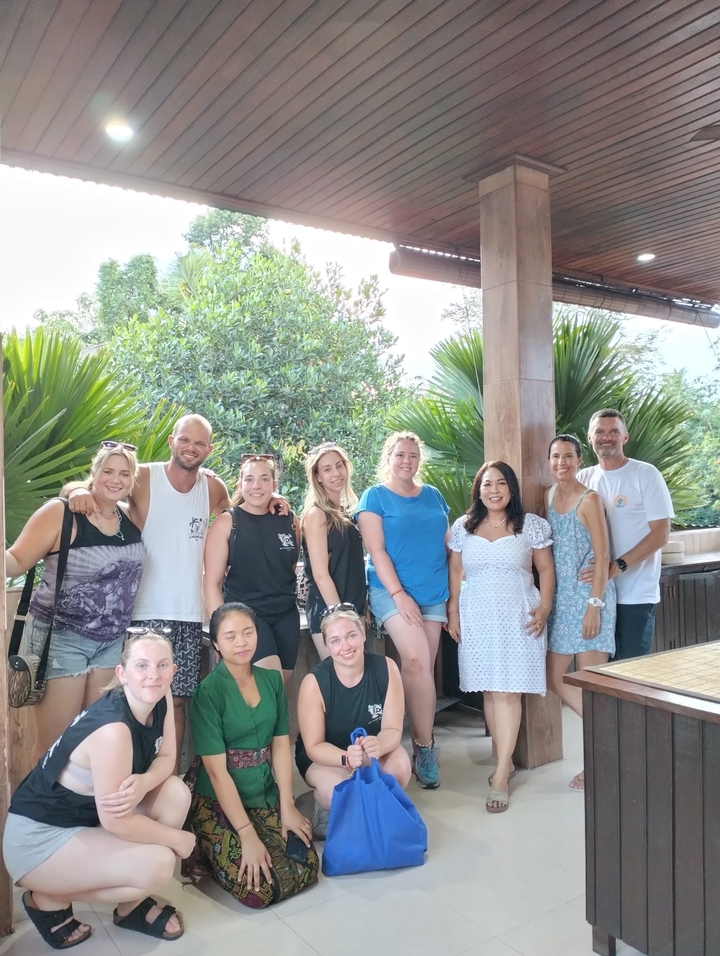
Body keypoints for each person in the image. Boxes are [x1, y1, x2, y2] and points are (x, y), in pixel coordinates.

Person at [2, 629, 193, 949]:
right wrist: (179, 839)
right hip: (38, 839)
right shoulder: (113, 730)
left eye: (162, 665)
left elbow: (167, 757)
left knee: (175, 794)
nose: (154, 675)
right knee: (160, 864)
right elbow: (116, 820)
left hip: (85, 817)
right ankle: (48, 897)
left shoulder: (158, 695)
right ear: (122, 673)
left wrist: (144, 782)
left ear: (173, 670)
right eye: (142, 665)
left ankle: (131, 906)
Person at [6, 441, 144, 762]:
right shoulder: (61, 512)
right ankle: (39, 797)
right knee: (54, 744)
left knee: (92, 739)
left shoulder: (128, 517)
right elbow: (15, 561)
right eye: (108, 471)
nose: (116, 479)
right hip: (61, 640)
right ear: (94, 472)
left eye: (124, 473)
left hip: (111, 643)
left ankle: (79, 798)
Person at [187, 602, 319, 907]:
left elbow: (281, 745)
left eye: (248, 632)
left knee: (307, 866)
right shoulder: (207, 693)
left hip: (263, 793)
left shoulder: (272, 680)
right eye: (230, 636)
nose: (241, 642)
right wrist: (246, 834)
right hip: (217, 800)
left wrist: (287, 805)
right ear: (215, 643)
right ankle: (206, 847)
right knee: (258, 891)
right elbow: (217, 773)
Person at [447, 461, 555, 813]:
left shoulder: (530, 525)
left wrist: (545, 607)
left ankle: (500, 776)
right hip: (477, 616)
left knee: (508, 691)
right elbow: (456, 571)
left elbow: (545, 569)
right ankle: (504, 763)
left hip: (519, 615)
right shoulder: (463, 526)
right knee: (491, 692)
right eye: (487, 484)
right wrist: (453, 612)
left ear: (511, 488)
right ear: (478, 490)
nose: (494, 490)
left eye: (501, 483)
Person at [356, 431, 449, 790]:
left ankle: (423, 744)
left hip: (434, 591)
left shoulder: (434, 495)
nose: (407, 461)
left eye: (413, 455)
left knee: (423, 668)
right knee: (415, 661)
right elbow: (376, 550)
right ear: (389, 458)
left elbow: (448, 543)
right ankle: (423, 746)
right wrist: (399, 594)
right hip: (391, 590)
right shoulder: (375, 496)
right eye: (400, 455)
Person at [295, 603, 411, 838]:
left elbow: (392, 729)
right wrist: (345, 758)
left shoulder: (387, 668)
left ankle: (370, 808)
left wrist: (379, 745)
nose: (346, 646)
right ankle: (324, 804)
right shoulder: (314, 682)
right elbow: (314, 746)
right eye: (335, 640)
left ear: (363, 633)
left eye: (351, 636)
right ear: (327, 645)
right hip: (327, 756)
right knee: (337, 790)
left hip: (368, 750)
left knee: (399, 768)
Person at [545, 435, 617, 790]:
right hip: (562, 601)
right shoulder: (549, 496)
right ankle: (612, 735)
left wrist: (594, 606)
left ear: (579, 460)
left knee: (593, 686)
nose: (562, 462)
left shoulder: (589, 501)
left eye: (568, 456)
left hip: (591, 598)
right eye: (556, 456)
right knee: (554, 677)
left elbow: (603, 557)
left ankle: (599, 764)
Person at [578, 409, 674, 660]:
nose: (606, 437)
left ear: (625, 437)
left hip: (635, 595)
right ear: (590, 438)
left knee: (630, 671)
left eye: (614, 432)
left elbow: (661, 534)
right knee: (598, 674)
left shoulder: (646, 474)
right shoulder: (583, 478)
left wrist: (615, 567)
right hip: (595, 596)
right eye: (600, 431)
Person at [204, 454, 301, 682]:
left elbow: (290, 567)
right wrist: (221, 632)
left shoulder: (289, 520)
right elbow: (212, 584)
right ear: (240, 484)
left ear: (274, 485)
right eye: (249, 479)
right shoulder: (228, 523)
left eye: (264, 479)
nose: (256, 486)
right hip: (246, 615)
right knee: (271, 682)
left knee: (279, 686)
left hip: (286, 614)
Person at [300, 441, 366, 662]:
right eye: (327, 469)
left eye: (339, 466)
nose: (336, 473)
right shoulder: (317, 515)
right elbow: (320, 574)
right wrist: (341, 616)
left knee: (357, 675)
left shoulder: (346, 513)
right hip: (330, 611)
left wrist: (359, 610)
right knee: (340, 674)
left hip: (354, 607)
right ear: (317, 477)